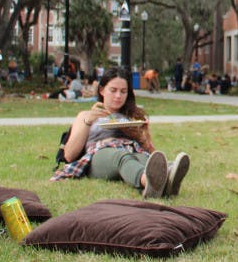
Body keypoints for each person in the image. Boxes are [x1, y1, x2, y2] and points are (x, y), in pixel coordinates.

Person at [52, 66, 190, 198]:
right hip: (100, 154)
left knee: (144, 159)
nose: (118, 96)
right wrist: (88, 122)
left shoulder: (132, 116)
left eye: (123, 91)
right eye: (113, 90)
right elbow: (69, 155)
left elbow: (151, 152)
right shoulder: (85, 115)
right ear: (101, 90)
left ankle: (168, 179)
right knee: (122, 156)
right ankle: (149, 181)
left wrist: (143, 133)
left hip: (131, 148)